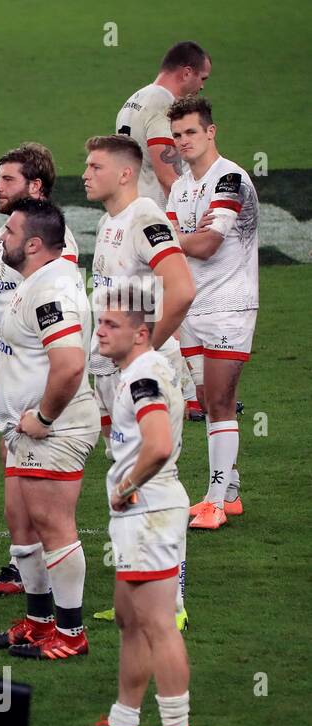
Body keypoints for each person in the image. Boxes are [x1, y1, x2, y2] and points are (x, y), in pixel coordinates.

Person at [0, 199, 99, 660]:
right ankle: (37, 622)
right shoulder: (34, 282)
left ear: (32, 244)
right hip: (25, 432)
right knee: (22, 521)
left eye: (9, 231)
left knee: (54, 524)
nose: (1, 237)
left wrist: (44, 418)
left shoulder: (51, 292)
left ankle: (71, 635)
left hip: (55, 429)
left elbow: (69, 365)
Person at [83, 134, 195, 629]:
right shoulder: (111, 221)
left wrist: (146, 350)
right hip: (114, 372)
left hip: (144, 372)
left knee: (153, 472)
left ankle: (173, 603)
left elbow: (182, 286)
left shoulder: (145, 215)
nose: (85, 174)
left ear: (125, 172)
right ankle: (135, 589)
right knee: (124, 473)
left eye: (95, 166)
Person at [85, 299, 197, 726]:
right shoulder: (145, 369)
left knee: (157, 624)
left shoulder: (143, 377)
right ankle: (124, 723)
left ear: (140, 333)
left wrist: (127, 485)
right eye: (100, 323)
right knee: (131, 620)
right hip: (143, 514)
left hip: (149, 510)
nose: (100, 333)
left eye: (112, 325)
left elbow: (158, 445)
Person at [0, 143, 79, 597]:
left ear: (35, 186)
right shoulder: (8, 235)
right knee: (14, 481)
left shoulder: (53, 247)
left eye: (7, 179)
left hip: (41, 383)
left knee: (42, 500)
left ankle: (55, 601)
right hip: (11, 383)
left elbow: (56, 319)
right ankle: (25, 573)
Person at [165, 96, 258, 530]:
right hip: (193, 307)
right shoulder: (181, 187)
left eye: (191, 132)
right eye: (177, 134)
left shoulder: (230, 179)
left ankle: (215, 502)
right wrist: (181, 235)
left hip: (229, 306)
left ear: (210, 132)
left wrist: (174, 235)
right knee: (205, 401)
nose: (183, 141)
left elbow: (205, 245)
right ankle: (232, 490)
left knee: (220, 401)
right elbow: (168, 245)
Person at [115, 41, 211, 208]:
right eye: (202, 78)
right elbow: (168, 177)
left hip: (131, 207)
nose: (202, 86)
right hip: (157, 215)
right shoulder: (162, 103)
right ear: (187, 73)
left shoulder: (134, 100)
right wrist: (190, 214)